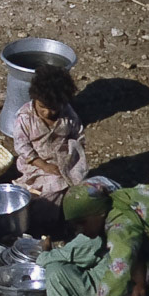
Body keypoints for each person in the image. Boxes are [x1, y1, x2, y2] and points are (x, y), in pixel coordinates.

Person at [13, 64, 88, 227]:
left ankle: (69, 215)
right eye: (42, 107)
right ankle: (44, 223)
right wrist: (44, 165)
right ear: (34, 99)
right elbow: (22, 146)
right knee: (53, 186)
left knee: (81, 186)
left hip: (64, 161)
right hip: (35, 164)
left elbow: (78, 136)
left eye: (53, 109)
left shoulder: (68, 115)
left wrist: (72, 158)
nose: (47, 113)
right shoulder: (26, 117)